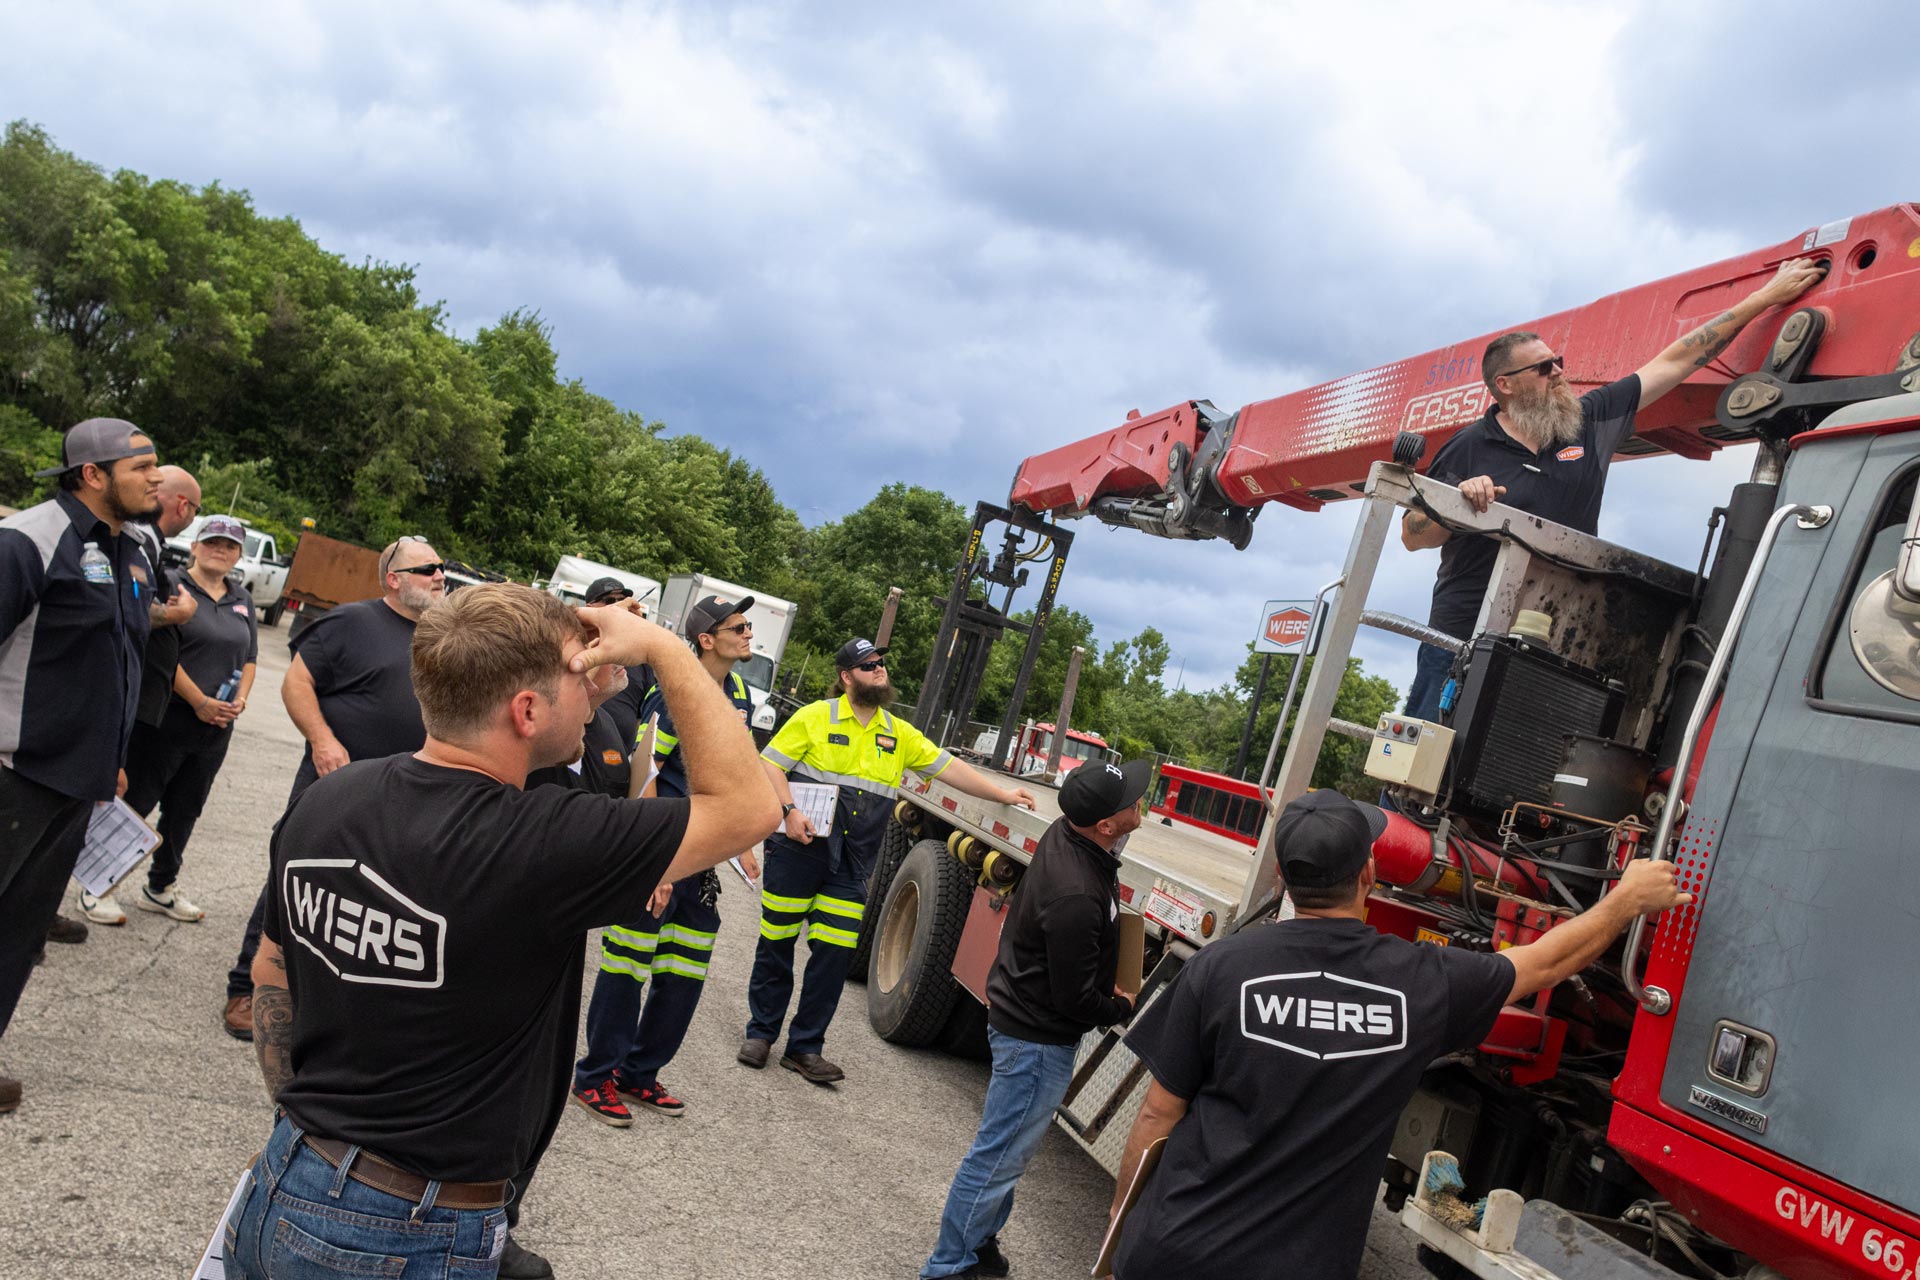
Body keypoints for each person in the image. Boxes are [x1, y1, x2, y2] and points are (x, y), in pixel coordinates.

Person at [226, 586, 778, 1280]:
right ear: (525, 710)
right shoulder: (541, 843)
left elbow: (271, 968)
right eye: (580, 681)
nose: (595, 692)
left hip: (287, 1178)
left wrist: (302, 1125)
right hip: (405, 1233)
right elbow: (749, 805)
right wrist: (665, 650)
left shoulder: (328, 800)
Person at [1106, 790, 1691, 1280]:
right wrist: (1626, 901)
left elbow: (1157, 1118)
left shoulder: (1220, 967)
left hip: (1170, 1251)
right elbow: (1542, 963)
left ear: (1283, 874)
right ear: (1369, 873)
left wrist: (1117, 1234)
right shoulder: (1421, 984)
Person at [1399, 257, 1827, 722]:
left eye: (1558, 362)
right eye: (1544, 369)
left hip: (1553, 634)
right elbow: (1412, 535)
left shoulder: (1587, 421)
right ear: (1505, 385)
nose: (1560, 373)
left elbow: (1678, 359)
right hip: (1461, 636)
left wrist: (1765, 298)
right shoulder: (1469, 446)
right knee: (1421, 762)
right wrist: (1457, 501)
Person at [742, 637, 1038, 1084]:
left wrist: (1001, 794)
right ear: (846, 677)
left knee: (833, 956)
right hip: (799, 851)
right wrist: (788, 811)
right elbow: (770, 765)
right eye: (867, 665)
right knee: (777, 944)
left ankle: (804, 1048)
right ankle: (761, 1034)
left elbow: (947, 767)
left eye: (880, 663)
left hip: (852, 863)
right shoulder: (814, 717)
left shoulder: (897, 733)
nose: (879, 670)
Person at [923, 759, 1148, 1279]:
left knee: (1007, 1155)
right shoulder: (1077, 893)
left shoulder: (1075, 839)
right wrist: (1117, 1006)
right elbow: (1073, 1001)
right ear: (1107, 825)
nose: (1141, 803)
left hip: (1028, 1022)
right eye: (1130, 802)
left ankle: (976, 1246)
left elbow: (1070, 971)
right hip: (1036, 1040)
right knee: (998, 1157)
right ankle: (948, 1267)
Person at [219, 536, 444, 1039]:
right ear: (394, 579)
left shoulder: (441, 636)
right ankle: (245, 990)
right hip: (334, 781)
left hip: (403, 792)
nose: (439, 575)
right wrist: (323, 741)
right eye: (426, 568)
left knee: (370, 892)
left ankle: (326, 994)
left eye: (441, 567)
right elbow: (296, 684)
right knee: (295, 875)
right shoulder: (352, 622)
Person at [0, 419, 162, 1114]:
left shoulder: (134, 551)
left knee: (18, 936)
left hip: (79, 783)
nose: (157, 477)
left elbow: (120, 662)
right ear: (92, 474)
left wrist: (113, 759)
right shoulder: (30, 539)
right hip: (14, 771)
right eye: (143, 466)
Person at [572, 594, 760, 1124]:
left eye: (748, 625)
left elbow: (735, 770)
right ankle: (595, 1078)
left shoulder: (740, 693)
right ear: (706, 639)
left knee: (683, 972)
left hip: (701, 859)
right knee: (628, 965)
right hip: (663, 851)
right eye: (737, 626)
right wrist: (653, 864)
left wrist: (743, 841)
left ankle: (640, 1075)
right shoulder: (673, 695)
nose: (749, 633)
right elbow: (646, 770)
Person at [71, 463, 202, 928]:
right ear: (184, 506)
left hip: (140, 700)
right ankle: (92, 888)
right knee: (113, 795)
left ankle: (45, 904)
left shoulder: (149, 545)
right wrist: (177, 615)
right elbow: (124, 611)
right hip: (126, 697)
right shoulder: (135, 539)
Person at [117, 515, 259, 923]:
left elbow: (249, 658)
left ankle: (160, 886)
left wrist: (240, 701)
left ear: (238, 556)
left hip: (216, 728)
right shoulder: (173, 585)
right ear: (195, 545)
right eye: (213, 542)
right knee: (135, 803)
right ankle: (98, 884)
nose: (221, 550)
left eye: (230, 546)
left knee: (185, 810)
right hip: (169, 717)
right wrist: (198, 700)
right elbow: (162, 653)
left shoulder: (242, 598)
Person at [581, 576, 656, 750]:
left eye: (622, 601)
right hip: (576, 748)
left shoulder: (638, 657)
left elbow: (642, 715)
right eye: (609, 601)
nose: (617, 606)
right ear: (589, 608)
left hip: (616, 757)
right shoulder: (577, 647)